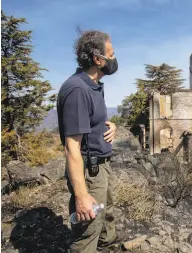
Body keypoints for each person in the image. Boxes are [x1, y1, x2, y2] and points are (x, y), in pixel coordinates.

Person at [57, 30, 125, 253]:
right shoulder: (78, 90)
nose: (114, 60)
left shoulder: (92, 85)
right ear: (98, 59)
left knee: (107, 212)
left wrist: (110, 125)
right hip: (89, 171)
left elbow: (91, 120)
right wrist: (82, 195)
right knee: (88, 227)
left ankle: (106, 242)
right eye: (111, 55)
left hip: (101, 165)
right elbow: (72, 148)